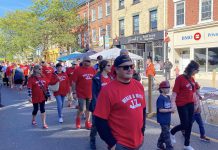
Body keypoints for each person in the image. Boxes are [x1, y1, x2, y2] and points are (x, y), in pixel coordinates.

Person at [94, 55, 146, 150]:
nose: (130, 69)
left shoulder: (139, 86)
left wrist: (142, 131)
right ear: (117, 70)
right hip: (120, 144)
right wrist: (112, 143)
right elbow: (99, 120)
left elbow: (143, 110)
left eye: (132, 66)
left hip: (138, 141)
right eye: (125, 67)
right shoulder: (107, 91)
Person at [170, 60, 200, 150]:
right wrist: (173, 105)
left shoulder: (192, 79)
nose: (197, 72)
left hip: (190, 103)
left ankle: (186, 144)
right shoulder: (180, 78)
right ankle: (172, 132)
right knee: (185, 124)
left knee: (190, 124)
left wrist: (196, 104)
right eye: (197, 70)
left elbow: (194, 92)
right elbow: (174, 93)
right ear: (192, 69)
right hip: (181, 104)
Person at [89, 60, 112, 150]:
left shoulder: (111, 77)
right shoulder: (96, 78)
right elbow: (94, 94)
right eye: (108, 65)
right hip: (98, 106)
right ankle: (92, 140)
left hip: (109, 106)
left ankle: (110, 144)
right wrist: (95, 108)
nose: (110, 67)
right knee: (95, 125)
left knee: (110, 125)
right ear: (103, 67)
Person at [71, 56, 96, 129]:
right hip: (81, 93)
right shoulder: (78, 70)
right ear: (83, 61)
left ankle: (87, 122)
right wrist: (74, 92)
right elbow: (73, 82)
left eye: (89, 61)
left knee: (89, 109)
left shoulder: (92, 69)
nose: (87, 62)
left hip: (90, 93)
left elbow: (95, 80)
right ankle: (78, 119)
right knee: (82, 109)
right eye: (86, 61)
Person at [156, 80, 174, 150]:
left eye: (169, 87)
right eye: (167, 88)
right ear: (162, 89)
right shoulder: (160, 98)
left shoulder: (168, 97)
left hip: (168, 119)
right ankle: (169, 147)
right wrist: (170, 110)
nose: (168, 89)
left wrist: (171, 110)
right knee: (166, 134)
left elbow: (169, 107)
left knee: (164, 132)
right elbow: (160, 110)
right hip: (163, 120)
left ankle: (159, 143)